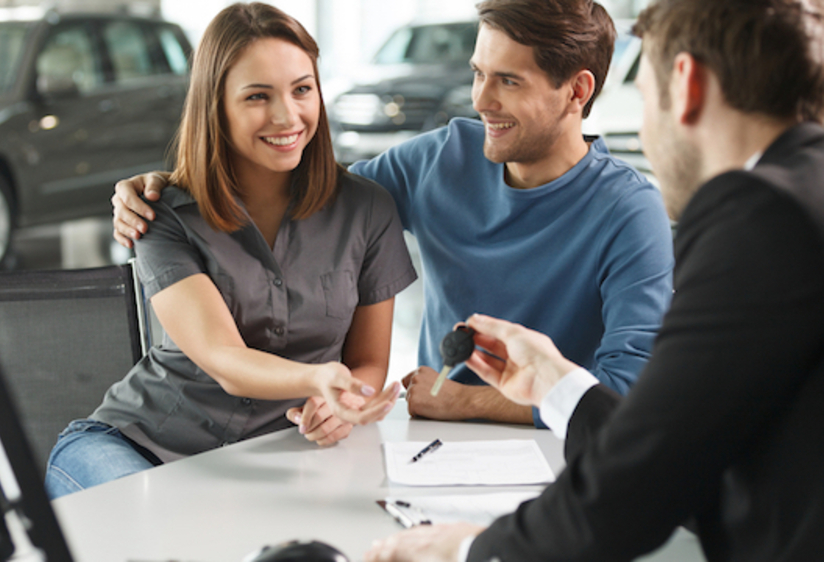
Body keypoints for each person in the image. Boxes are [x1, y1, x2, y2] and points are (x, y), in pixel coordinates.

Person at [366, 0, 824, 560]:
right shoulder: (804, 195)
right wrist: (554, 383)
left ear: (686, 83)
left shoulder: (759, 218)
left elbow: (646, 477)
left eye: (645, 98)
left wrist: (471, 549)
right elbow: (675, 435)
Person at [110, 0, 675, 436]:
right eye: (480, 73)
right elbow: (306, 191)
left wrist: (467, 402)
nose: (481, 99)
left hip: (560, 452)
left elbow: (627, 392)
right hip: (434, 448)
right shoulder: (438, 159)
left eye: (508, 81)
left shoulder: (630, 211)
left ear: (577, 91)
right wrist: (164, 188)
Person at [44, 3, 417, 499]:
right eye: (258, 96)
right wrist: (321, 377)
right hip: (135, 447)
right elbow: (223, 358)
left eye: (302, 89)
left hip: (272, 458)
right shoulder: (163, 213)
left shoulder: (366, 209)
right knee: (165, 536)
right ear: (215, 105)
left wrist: (342, 404)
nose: (288, 115)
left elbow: (368, 361)